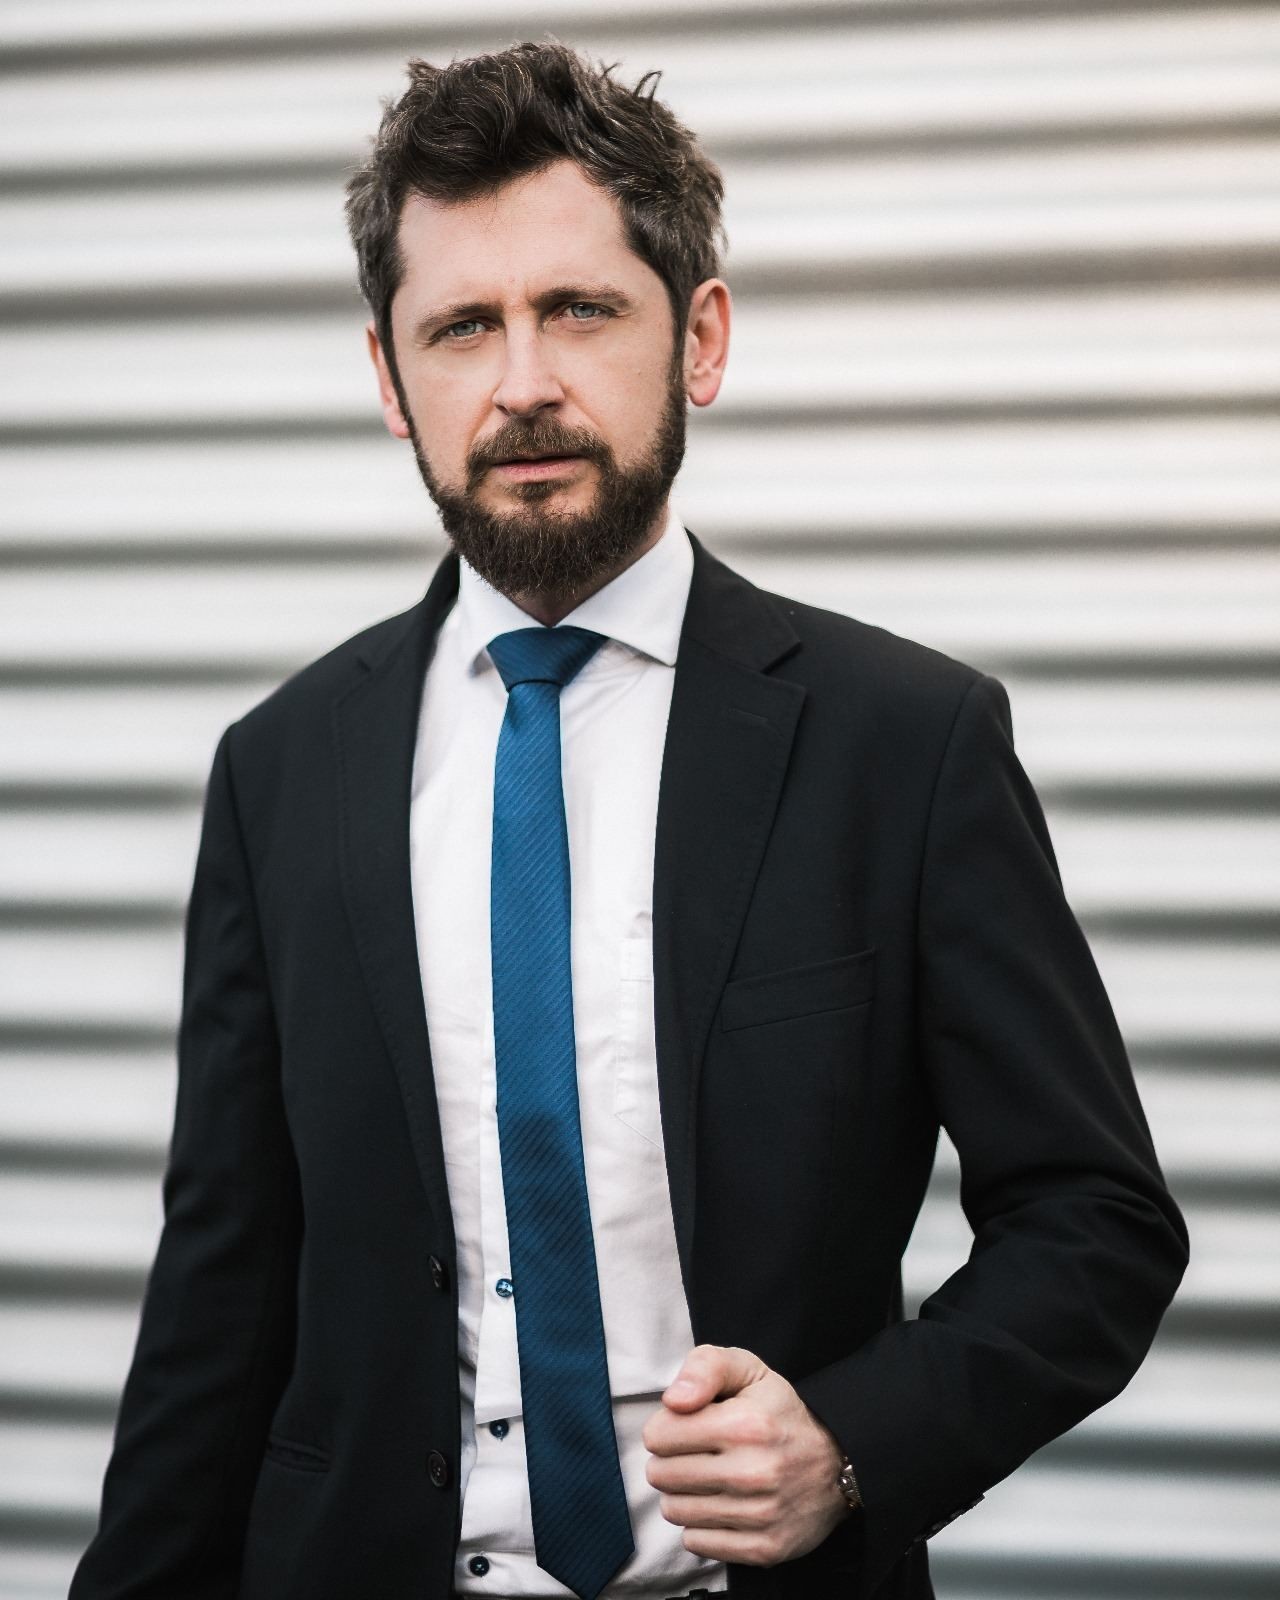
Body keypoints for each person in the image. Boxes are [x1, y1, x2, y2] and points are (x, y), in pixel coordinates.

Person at [71, 41, 1188, 1600]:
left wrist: (853, 1442)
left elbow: (1097, 1223)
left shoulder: (904, 744)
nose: (522, 380)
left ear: (701, 339)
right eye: (463, 326)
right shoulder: (284, 772)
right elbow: (219, 1298)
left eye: (579, 309)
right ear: (390, 380)